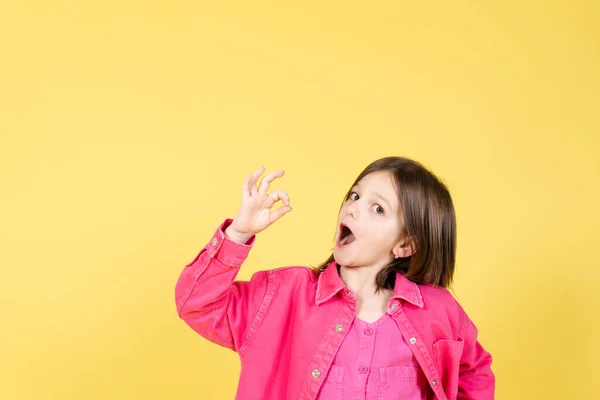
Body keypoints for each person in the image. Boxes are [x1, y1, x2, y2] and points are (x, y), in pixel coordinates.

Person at [175, 156, 495, 400]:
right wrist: (239, 233)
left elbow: (474, 374)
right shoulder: (284, 297)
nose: (353, 209)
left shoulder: (439, 311)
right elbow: (197, 304)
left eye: (377, 209)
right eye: (354, 196)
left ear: (405, 245)